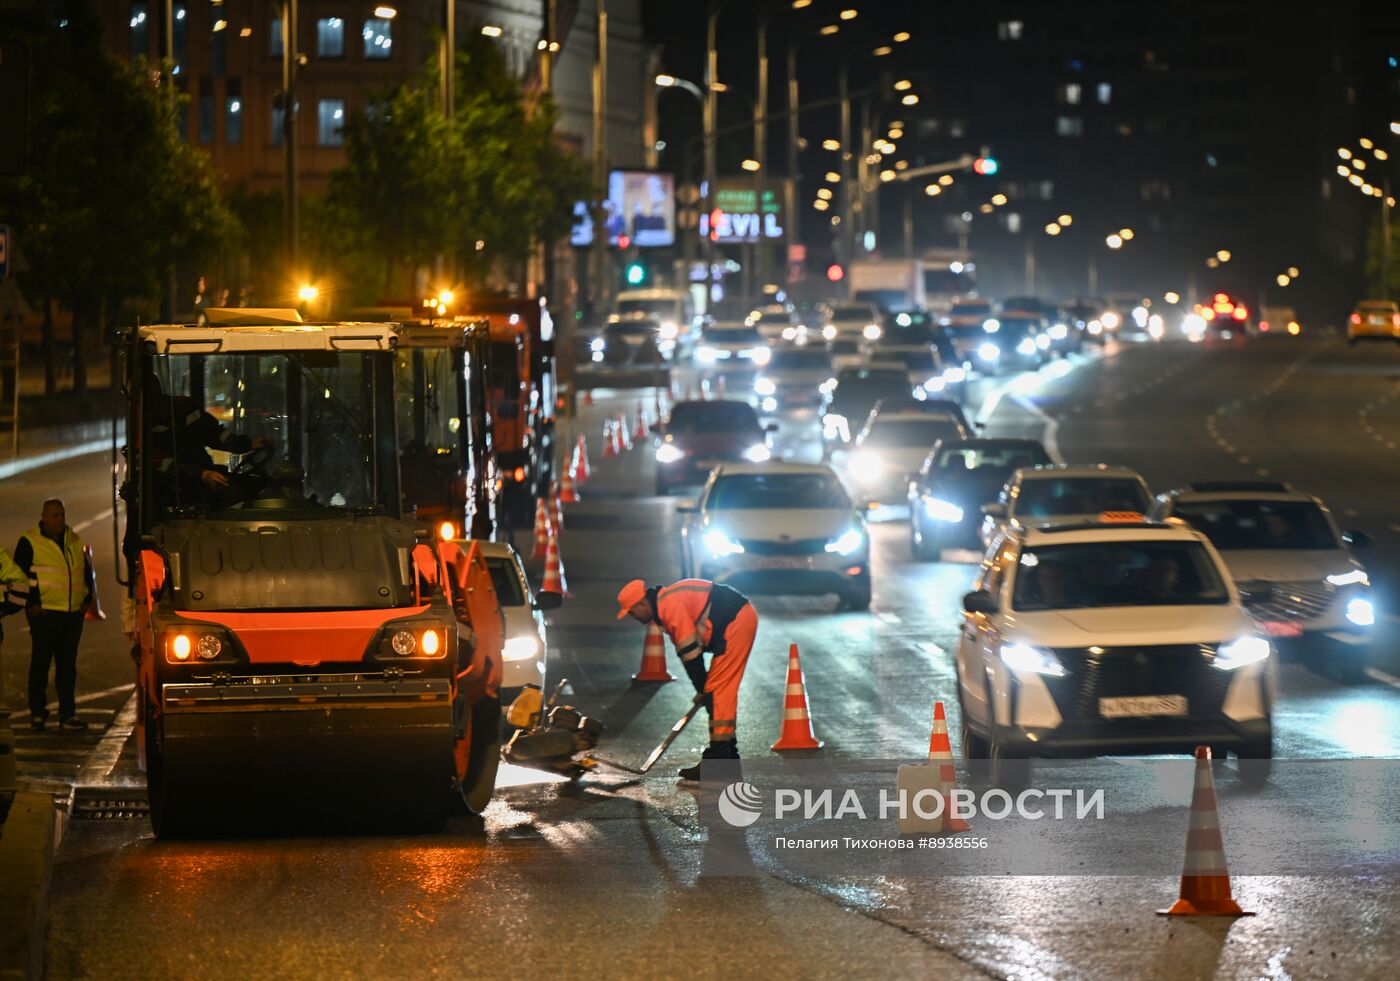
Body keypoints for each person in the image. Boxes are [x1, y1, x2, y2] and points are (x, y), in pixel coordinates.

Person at [617, 578, 758, 780]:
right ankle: (726, 760)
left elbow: (691, 653)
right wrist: (702, 689)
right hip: (733, 621)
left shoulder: (668, 605)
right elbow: (688, 654)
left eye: (632, 612)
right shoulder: (663, 607)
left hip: (736, 622)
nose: (632, 617)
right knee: (715, 692)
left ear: (641, 604)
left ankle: (719, 761)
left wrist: (703, 689)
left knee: (717, 692)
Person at [13, 500, 95, 732]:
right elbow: (20, 577)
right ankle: (38, 714)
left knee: (67, 667)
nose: (59, 519)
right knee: (41, 665)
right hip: (45, 614)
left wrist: (85, 602)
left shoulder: (74, 539)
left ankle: (67, 715)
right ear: (44, 517)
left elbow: (85, 572)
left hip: (72, 614)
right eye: (54, 515)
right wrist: (31, 604)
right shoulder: (29, 542)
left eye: (61, 515)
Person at [145, 369, 273, 507]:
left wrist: (250, 445)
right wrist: (202, 475)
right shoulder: (142, 429)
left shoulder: (185, 408)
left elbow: (217, 435)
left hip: (205, 476)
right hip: (173, 493)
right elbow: (166, 466)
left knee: (254, 485)